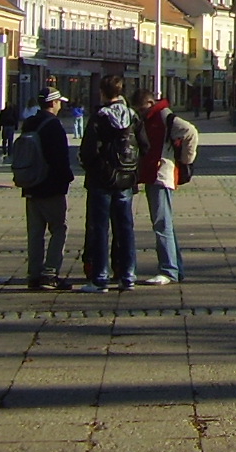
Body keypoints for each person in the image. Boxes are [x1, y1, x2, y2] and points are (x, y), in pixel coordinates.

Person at [77, 75, 146, 293]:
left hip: (102, 180)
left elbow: (88, 150)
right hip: (125, 179)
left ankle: (100, 278)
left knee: (100, 229)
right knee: (125, 228)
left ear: (102, 93)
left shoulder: (100, 117)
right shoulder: (132, 116)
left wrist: (96, 168)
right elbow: (145, 146)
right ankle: (128, 276)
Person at [129, 88, 196, 285]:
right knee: (165, 224)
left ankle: (168, 270)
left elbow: (190, 132)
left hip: (161, 174)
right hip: (155, 174)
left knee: (161, 224)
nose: (140, 113)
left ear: (150, 103)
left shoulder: (164, 117)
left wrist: (185, 160)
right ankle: (175, 268)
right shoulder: (152, 117)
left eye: (142, 109)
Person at [20, 89, 74, 289]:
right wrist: (66, 179)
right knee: (58, 229)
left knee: (35, 232)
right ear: (53, 103)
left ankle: (33, 274)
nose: (60, 105)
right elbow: (59, 158)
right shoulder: (53, 126)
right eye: (59, 101)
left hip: (30, 183)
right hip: (51, 186)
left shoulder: (29, 123)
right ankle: (50, 273)